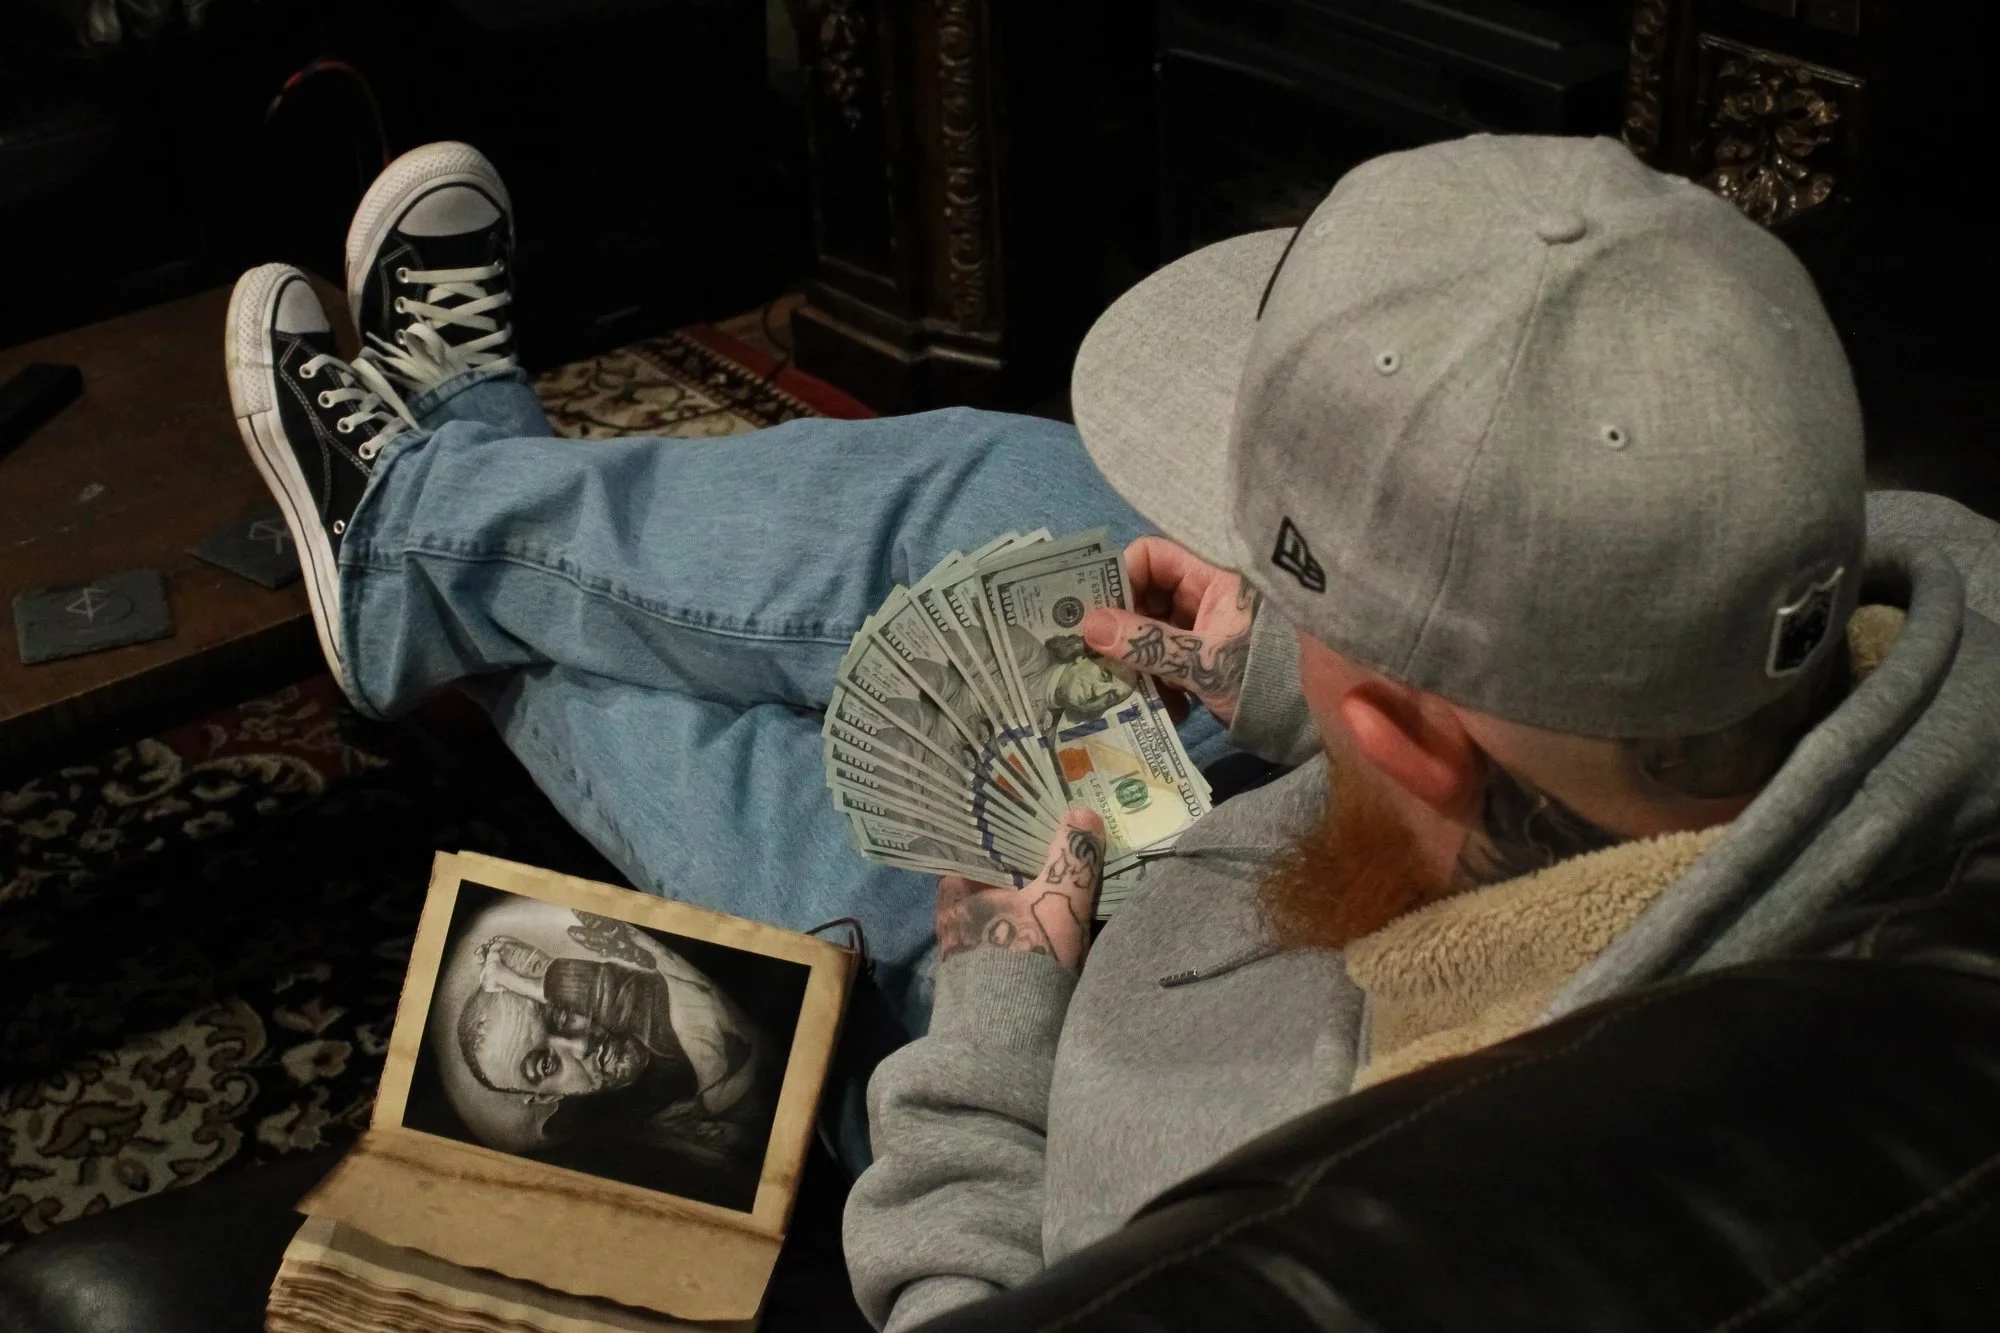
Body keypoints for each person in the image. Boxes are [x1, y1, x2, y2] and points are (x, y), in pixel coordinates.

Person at [223, 136, 2000, 1330]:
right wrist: (1278, 671)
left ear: (1419, 727)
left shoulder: (1304, 1185)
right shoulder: (1944, 648)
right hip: (1363, 826)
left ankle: (433, 516)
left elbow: (974, 1300)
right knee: (1027, 501)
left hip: (1046, 1038)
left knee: (834, 797)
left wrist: (996, 968)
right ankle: (462, 490)